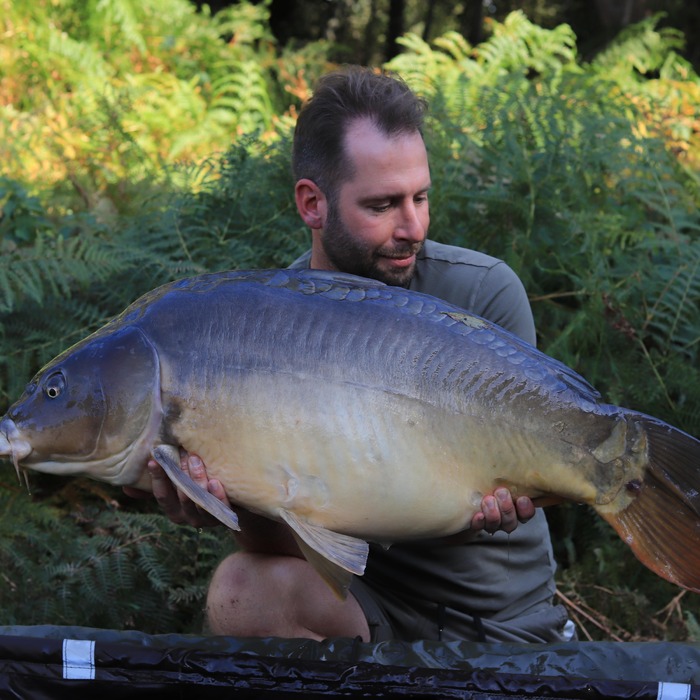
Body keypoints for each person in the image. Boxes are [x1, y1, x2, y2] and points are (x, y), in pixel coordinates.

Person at [129, 66, 574, 644]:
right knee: (240, 590)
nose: (413, 226)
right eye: (383, 205)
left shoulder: (483, 293)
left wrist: (508, 495)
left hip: (499, 624)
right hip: (365, 607)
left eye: (421, 198)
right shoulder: (264, 328)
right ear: (313, 204)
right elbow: (292, 534)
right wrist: (222, 506)